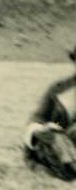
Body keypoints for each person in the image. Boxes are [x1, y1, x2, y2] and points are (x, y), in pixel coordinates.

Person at [23, 44, 76, 180]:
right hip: (60, 147)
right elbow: (37, 119)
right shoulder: (59, 89)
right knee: (52, 136)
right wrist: (43, 129)